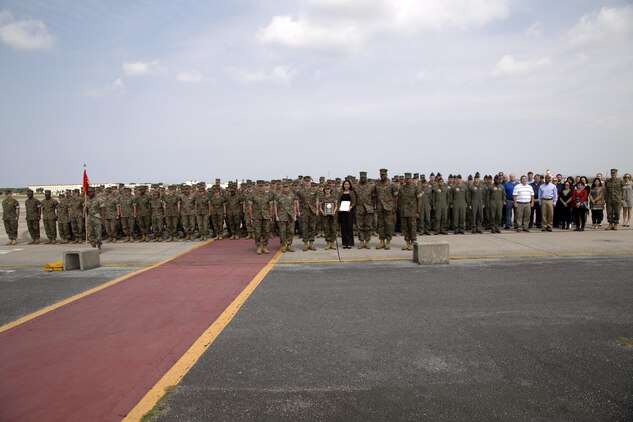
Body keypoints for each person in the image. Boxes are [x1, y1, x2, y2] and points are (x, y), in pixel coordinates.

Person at [375, 169, 398, 249]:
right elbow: (375, 197)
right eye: (381, 174)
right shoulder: (377, 185)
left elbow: (396, 197)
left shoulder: (392, 185)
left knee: (388, 225)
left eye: (384, 174)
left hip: (389, 208)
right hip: (380, 208)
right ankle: (382, 241)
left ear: (387, 174)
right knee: (381, 225)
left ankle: (388, 241)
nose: (382, 176)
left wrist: (395, 207)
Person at [249, 180, 274, 255]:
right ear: (256, 186)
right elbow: (250, 207)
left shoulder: (268, 195)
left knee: (266, 231)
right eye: (259, 186)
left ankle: (265, 246)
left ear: (264, 186)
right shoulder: (252, 195)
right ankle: (259, 246)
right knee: (257, 232)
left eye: (262, 186)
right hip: (256, 216)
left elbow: (271, 207)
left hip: (266, 216)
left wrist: (270, 216)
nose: (261, 187)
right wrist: (251, 217)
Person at [296, 176, 319, 251]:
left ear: (311, 181)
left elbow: (317, 200)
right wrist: (298, 211)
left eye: (308, 181)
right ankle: (305, 243)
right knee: (304, 227)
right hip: (304, 211)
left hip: (312, 211)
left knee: (312, 227)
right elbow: (297, 201)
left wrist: (317, 209)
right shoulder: (300, 190)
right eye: (306, 181)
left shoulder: (315, 190)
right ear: (304, 182)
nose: (307, 182)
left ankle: (311, 243)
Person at [398, 173, 421, 249]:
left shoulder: (415, 187)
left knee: (412, 227)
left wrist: (418, 211)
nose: (407, 180)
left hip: (412, 211)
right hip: (404, 211)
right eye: (406, 178)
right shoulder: (402, 188)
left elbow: (419, 200)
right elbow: (399, 199)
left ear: (411, 179)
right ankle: (407, 242)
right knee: (405, 227)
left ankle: (413, 242)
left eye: (408, 178)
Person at [274, 180, 298, 253]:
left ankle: (289, 244)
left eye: (287, 186)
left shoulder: (292, 195)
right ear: (282, 187)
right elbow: (275, 206)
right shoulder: (278, 195)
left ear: (289, 187)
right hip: (282, 215)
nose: (285, 188)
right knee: (282, 231)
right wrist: (276, 216)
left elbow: (294, 205)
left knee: (290, 231)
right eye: (284, 187)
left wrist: (295, 215)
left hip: (290, 215)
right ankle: (283, 245)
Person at [354, 172, 374, 249]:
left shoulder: (371, 187)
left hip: (368, 209)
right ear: (360, 177)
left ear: (366, 177)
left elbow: (373, 197)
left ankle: (367, 241)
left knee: (368, 226)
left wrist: (373, 207)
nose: (363, 178)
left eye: (364, 177)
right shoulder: (356, 187)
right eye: (361, 177)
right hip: (359, 208)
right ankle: (362, 241)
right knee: (360, 226)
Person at [338, 179, 356, 249]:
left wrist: (350, 207)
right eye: (345, 184)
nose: (346, 185)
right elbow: (339, 201)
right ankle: (344, 243)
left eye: (347, 184)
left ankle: (350, 243)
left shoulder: (352, 192)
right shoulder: (341, 192)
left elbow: (354, 202)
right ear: (343, 185)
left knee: (349, 227)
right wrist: (339, 207)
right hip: (342, 212)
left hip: (349, 212)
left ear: (350, 185)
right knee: (343, 227)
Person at [320, 185, 339, 250]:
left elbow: (336, 205)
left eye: (328, 189)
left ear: (330, 190)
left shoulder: (334, 196)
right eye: (326, 189)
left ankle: (332, 242)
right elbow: (320, 207)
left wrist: (334, 211)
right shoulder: (322, 197)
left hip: (333, 215)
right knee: (326, 228)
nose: (327, 190)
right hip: (325, 215)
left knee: (333, 228)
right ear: (324, 190)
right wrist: (323, 212)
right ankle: (328, 243)